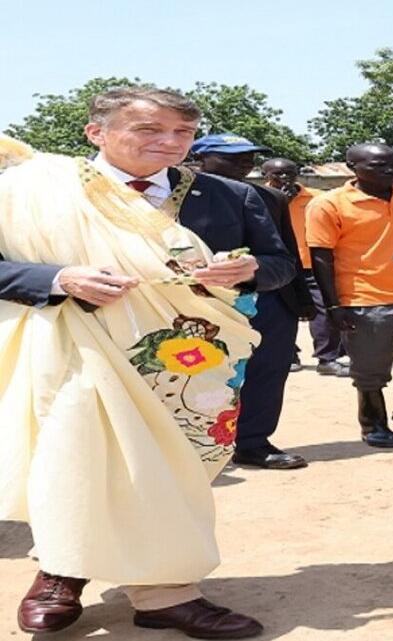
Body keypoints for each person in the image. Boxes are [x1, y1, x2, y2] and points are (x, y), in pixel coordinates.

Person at [0, 87, 286, 638]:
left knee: (174, 471)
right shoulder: (29, 193)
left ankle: (162, 594)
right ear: (97, 133)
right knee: (75, 457)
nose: (170, 143)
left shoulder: (230, 195)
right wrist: (58, 278)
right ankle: (62, 571)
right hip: (76, 349)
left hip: (194, 362)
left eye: (183, 132)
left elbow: (280, 265)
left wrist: (250, 269)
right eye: (149, 130)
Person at [307, 143, 393, 448]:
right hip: (365, 296)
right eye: (379, 165)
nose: (390, 170)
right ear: (352, 167)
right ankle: (373, 422)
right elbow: (321, 257)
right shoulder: (328, 204)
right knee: (370, 369)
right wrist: (333, 305)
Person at [192, 134, 315, 470]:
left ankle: (252, 443)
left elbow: (286, 252)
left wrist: (302, 299)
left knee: (266, 373)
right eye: (231, 157)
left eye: (249, 156)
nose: (244, 163)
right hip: (203, 302)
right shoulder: (178, 197)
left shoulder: (271, 197)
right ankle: (197, 446)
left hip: (269, 299)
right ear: (200, 158)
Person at [262, 157, 349, 377]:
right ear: (266, 175)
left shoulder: (317, 198)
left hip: (311, 264)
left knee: (324, 310)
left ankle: (327, 358)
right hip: (279, 265)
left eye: (290, 173)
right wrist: (280, 202)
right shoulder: (257, 197)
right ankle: (289, 355)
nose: (285, 178)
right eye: (278, 174)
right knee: (280, 314)